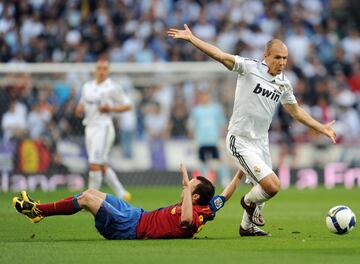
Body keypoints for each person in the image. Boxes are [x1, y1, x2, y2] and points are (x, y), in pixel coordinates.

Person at [167, 25, 337, 236]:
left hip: (261, 141)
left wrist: (321, 127)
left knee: (264, 187)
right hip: (239, 139)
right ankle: (247, 202)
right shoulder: (248, 67)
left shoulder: (284, 83)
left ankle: (247, 226)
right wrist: (193, 39)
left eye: (285, 58)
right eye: (277, 57)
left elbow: (296, 112)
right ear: (265, 55)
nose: (282, 62)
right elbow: (220, 55)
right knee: (271, 186)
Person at [12, 164, 244, 239]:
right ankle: (37, 210)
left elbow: (184, 220)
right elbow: (226, 195)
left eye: (190, 186)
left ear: (193, 196)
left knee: (86, 199)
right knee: (92, 190)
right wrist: (241, 172)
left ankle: (37, 211)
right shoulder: (208, 207)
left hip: (129, 227)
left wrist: (185, 185)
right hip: (137, 214)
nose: (186, 185)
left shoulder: (193, 215)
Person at [75, 58, 131, 200]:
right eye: (99, 68)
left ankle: (90, 198)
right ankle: (122, 193)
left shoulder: (112, 87)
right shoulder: (87, 86)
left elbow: (127, 105)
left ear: (108, 71)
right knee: (101, 164)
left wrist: (111, 108)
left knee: (94, 163)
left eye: (105, 69)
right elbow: (82, 103)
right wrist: (80, 108)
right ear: (95, 69)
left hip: (103, 127)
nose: (101, 71)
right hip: (89, 127)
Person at [189, 89, 230, 187]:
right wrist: (194, 139)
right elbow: (192, 126)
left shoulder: (216, 109)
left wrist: (222, 137)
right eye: (202, 96)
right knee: (202, 162)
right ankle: (205, 182)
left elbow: (222, 124)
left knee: (219, 161)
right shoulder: (196, 110)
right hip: (202, 140)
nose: (204, 98)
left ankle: (225, 180)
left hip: (214, 140)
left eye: (206, 95)